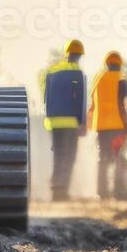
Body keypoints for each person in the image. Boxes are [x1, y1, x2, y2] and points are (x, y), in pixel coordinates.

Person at [43, 39, 87, 202]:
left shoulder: (53, 71)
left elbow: (46, 97)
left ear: (66, 53)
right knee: (68, 156)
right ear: (80, 56)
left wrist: (49, 116)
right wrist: (82, 122)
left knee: (58, 155)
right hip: (69, 121)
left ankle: (55, 190)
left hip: (53, 121)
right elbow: (80, 100)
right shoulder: (77, 73)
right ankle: (62, 191)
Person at [86, 51, 127, 201]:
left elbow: (92, 104)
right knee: (119, 157)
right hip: (118, 125)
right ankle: (119, 191)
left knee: (103, 158)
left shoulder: (98, 80)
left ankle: (102, 193)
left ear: (106, 64)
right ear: (119, 64)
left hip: (101, 126)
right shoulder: (121, 80)